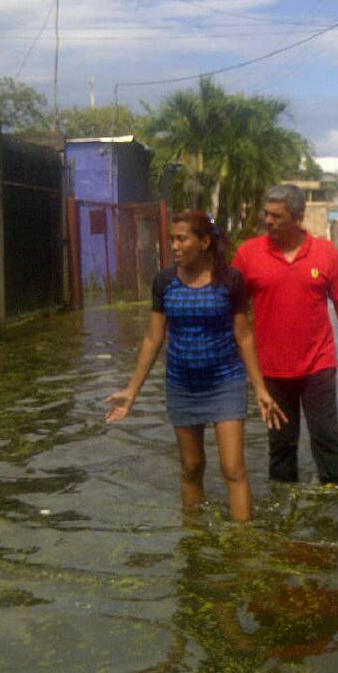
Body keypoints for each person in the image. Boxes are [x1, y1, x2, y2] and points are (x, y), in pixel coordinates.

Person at [104, 210, 286, 522]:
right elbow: (153, 337)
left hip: (225, 382)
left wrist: (260, 389)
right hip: (182, 385)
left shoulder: (230, 280)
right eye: (172, 239)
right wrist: (132, 390)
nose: (173, 245)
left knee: (233, 468)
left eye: (181, 239)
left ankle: (244, 547)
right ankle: (195, 541)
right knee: (191, 467)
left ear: (203, 242)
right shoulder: (164, 282)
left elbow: (243, 336)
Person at [232, 184, 338, 485]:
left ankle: (334, 508)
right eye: (266, 214)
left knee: (326, 439)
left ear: (297, 217)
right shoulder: (248, 254)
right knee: (281, 446)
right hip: (271, 370)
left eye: (276, 216)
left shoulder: (325, 253)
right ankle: (282, 516)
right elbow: (232, 311)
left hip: (318, 364)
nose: (268, 221)